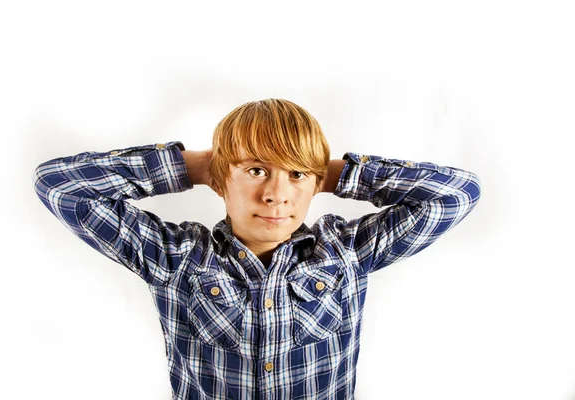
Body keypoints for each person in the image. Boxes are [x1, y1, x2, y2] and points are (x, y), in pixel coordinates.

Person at [33, 98, 481, 399]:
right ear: (220, 178)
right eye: (255, 170)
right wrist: (196, 165)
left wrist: (336, 172)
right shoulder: (176, 258)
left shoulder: (346, 252)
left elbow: (456, 195)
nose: (276, 194)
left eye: (296, 176)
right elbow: (60, 187)